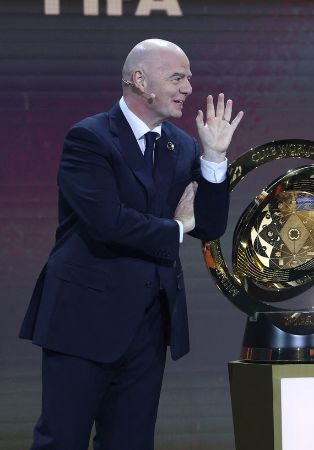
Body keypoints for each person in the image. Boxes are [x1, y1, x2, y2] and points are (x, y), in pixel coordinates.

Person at [19, 38, 244, 449]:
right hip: (82, 319)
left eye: (189, 78)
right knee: (62, 440)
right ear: (140, 81)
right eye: (177, 78)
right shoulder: (89, 139)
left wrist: (213, 158)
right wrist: (175, 229)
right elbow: (108, 223)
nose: (188, 89)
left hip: (147, 326)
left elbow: (209, 226)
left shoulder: (181, 146)